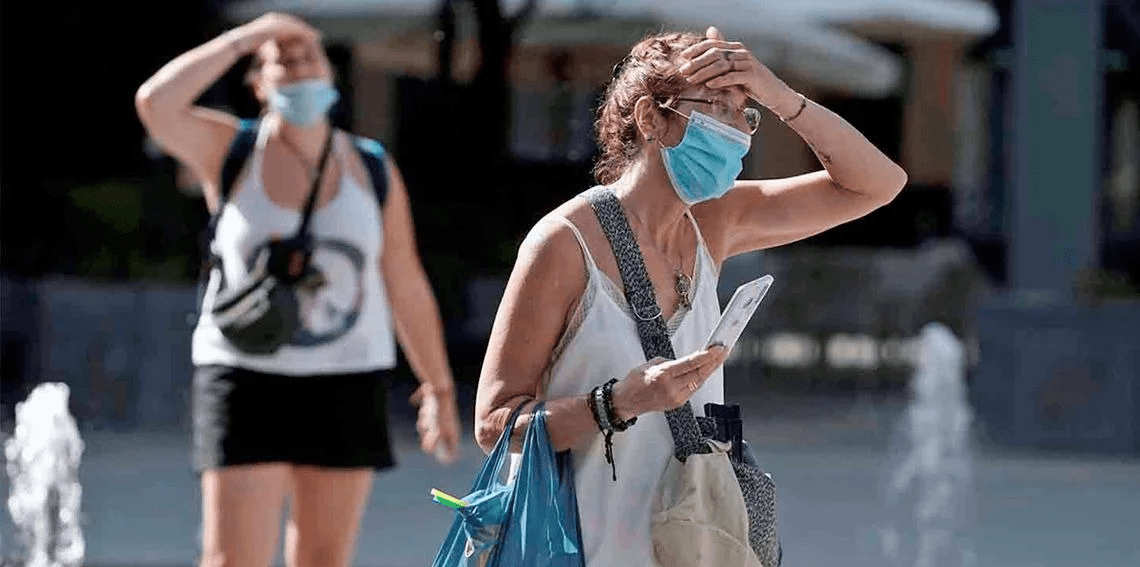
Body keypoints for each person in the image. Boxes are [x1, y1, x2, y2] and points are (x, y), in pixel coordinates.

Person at [474, 26, 908, 566]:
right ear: (651, 119)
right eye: (717, 107)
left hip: (690, 546)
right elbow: (495, 425)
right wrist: (619, 402)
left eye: (743, 112)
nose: (738, 131)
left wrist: (777, 95)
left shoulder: (714, 221)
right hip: (580, 547)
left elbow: (878, 184)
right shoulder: (564, 243)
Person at [134, 12, 461, 567]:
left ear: (332, 77)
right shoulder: (231, 150)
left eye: (310, 56)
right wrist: (243, 37)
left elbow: (403, 280)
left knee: (324, 558)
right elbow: (155, 104)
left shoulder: (371, 166)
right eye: (281, 59)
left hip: (347, 378)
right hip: (243, 375)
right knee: (232, 558)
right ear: (259, 83)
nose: (300, 67)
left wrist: (438, 389)